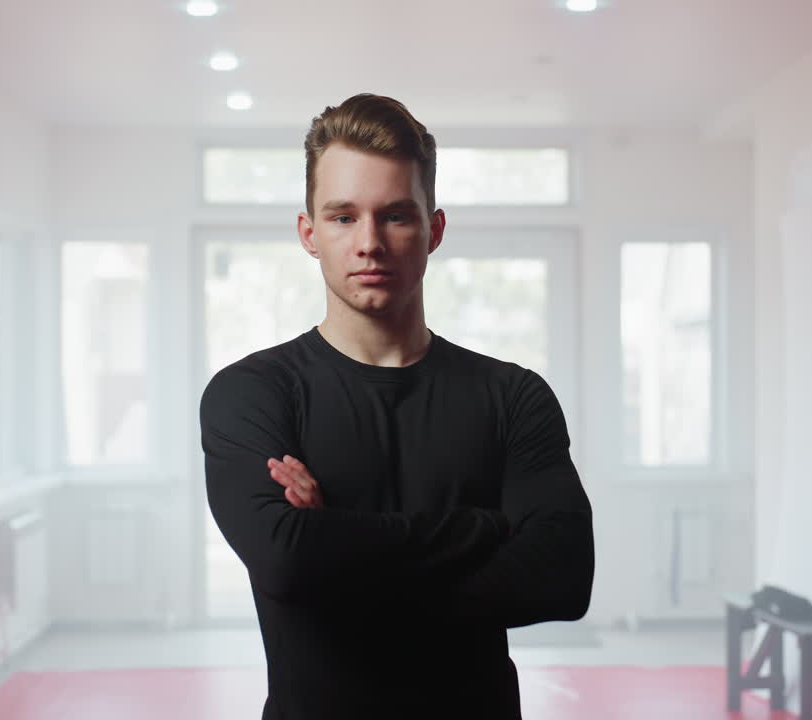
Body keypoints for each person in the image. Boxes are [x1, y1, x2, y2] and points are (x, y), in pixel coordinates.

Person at [199, 93, 594, 720]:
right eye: (342, 217)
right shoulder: (253, 393)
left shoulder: (513, 396)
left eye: (395, 216)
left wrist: (336, 547)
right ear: (309, 233)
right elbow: (286, 559)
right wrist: (485, 529)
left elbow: (564, 578)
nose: (370, 243)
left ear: (433, 230)